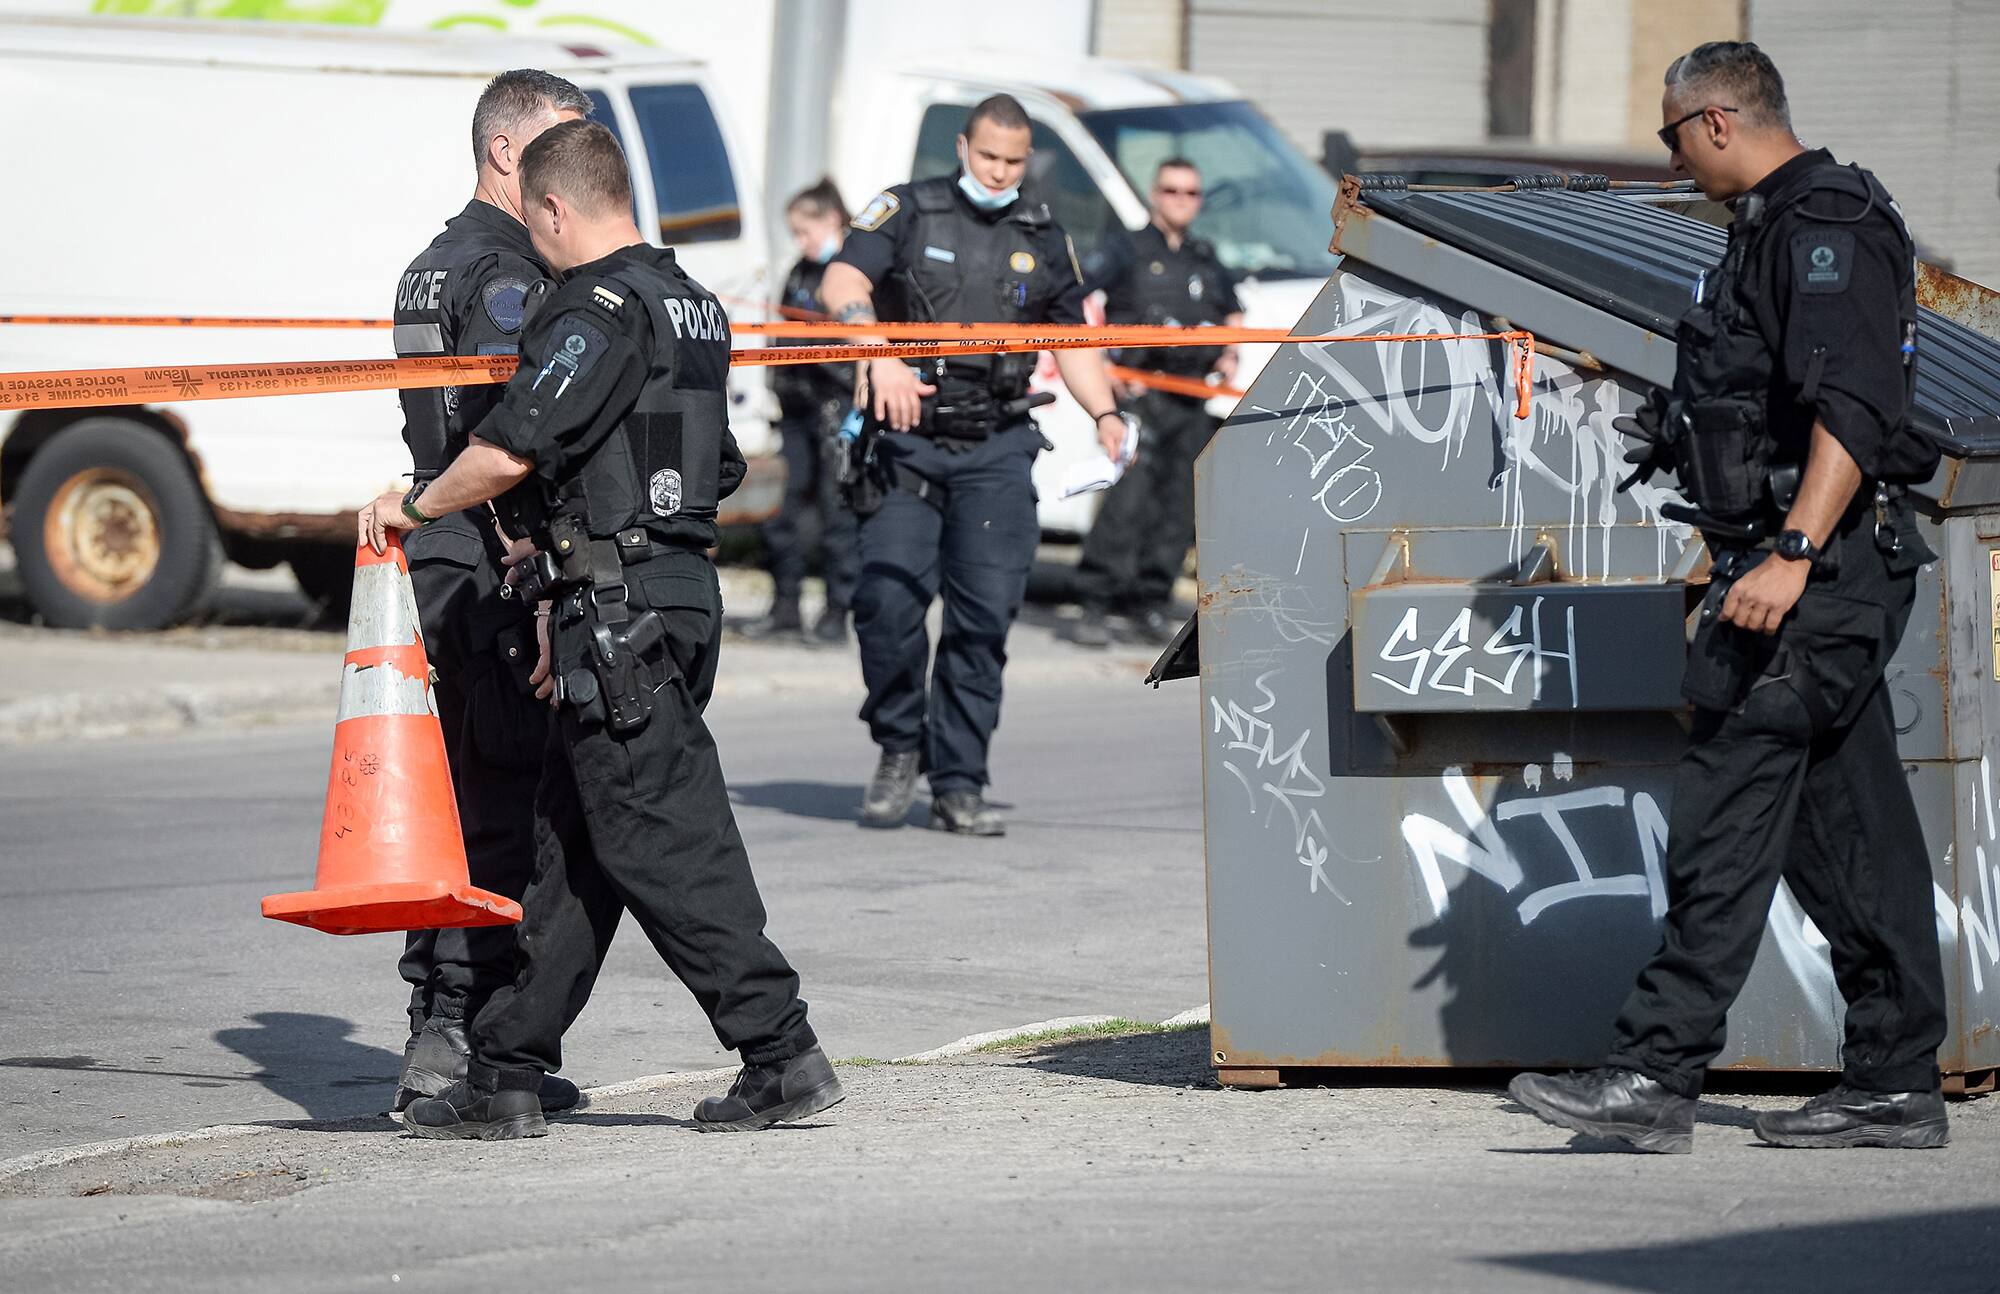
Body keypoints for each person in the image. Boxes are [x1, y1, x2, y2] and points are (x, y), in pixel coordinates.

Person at [360, 119, 841, 1140]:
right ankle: (507, 1070)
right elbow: (714, 468)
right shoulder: (695, 305)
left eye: (534, 225)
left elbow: (510, 447)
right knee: (576, 845)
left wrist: (415, 506)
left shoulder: (594, 308)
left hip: (616, 610)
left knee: (666, 838)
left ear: (551, 206)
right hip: (666, 595)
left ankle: (779, 1049)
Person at [1508, 41, 1949, 1153]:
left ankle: (1655, 1072)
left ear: (1713, 120)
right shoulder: (1766, 226)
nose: (1666, 160)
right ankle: (1894, 1077)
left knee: (1724, 800)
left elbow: (1852, 406)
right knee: (1842, 826)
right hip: (1802, 567)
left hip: (1812, 573)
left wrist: (1791, 549)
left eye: (1668, 136)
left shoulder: (1824, 224)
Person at [819, 93, 1128, 836]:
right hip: (907, 437)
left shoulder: (1043, 232)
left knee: (982, 622)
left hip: (995, 444)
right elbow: (841, 285)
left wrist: (1107, 414)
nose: (998, 171)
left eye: (1014, 161)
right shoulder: (908, 209)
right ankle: (900, 744)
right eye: (988, 156)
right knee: (886, 607)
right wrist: (880, 356)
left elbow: (1074, 340)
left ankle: (959, 781)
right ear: (962, 147)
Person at [388, 69, 589, 1116]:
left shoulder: (431, 265)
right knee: (501, 803)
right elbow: (515, 442)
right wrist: (541, 569)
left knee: (460, 798)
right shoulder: (510, 273)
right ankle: (454, 1032)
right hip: (491, 563)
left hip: (436, 561)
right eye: (560, 145)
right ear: (507, 150)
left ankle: (462, 1027)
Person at [1070, 158, 1241, 649]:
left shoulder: (1204, 255)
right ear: (1154, 194)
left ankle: (1149, 601)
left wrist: (1229, 353)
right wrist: (1102, 364)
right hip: (1139, 393)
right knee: (1127, 500)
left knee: (1177, 505)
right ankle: (1096, 601)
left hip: (1189, 397)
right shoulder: (1126, 247)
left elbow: (1232, 312)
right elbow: (1075, 298)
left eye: (1190, 193)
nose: (1180, 200)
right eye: (1171, 191)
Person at [739, 178, 861, 644]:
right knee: (781, 510)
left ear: (831, 221)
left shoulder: (852, 275)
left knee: (837, 514)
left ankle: (837, 612)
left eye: (804, 230)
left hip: (837, 409)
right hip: (796, 409)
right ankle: (785, 605)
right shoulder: (800, 272)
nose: (801, 242)